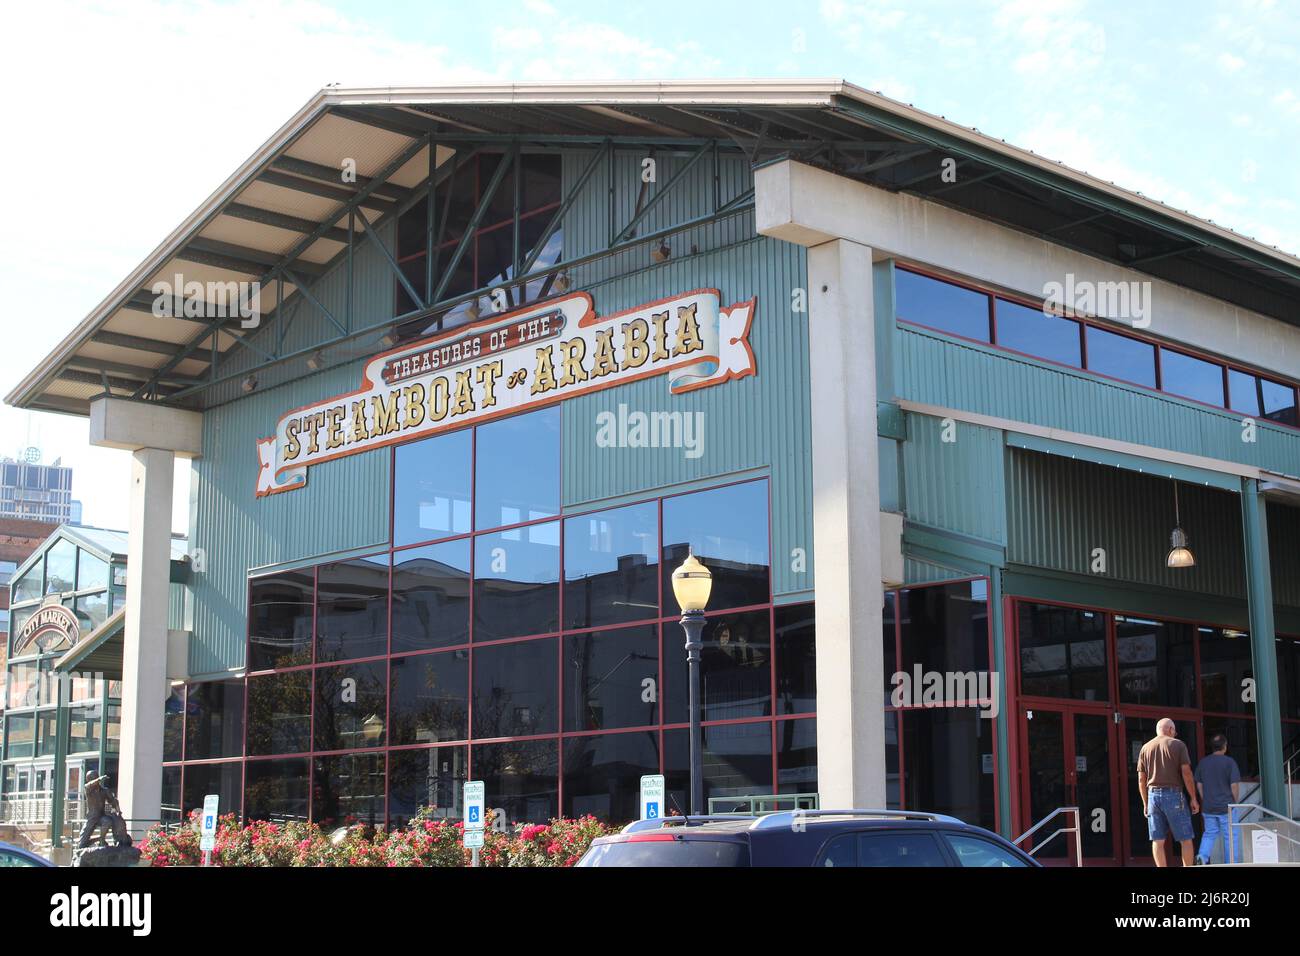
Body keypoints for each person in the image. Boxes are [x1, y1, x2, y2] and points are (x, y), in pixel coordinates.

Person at [1136, 718, 1198, 867]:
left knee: (1157, 840)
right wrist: (1193, 798)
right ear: (1170, 729)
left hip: (1152, 796)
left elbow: (1141, 779)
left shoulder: (1145, 747)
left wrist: (1145, 803)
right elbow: (1186, 773)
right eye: (1174, 731)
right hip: (1174, 794)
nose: (1175, 734)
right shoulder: (1178, 744)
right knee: (1186, 838)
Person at [1194, 734, 1242, 865]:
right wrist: (1234, 801)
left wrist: (1205, 798)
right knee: (1230, 836)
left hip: (1209, 807)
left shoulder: (1204, 762)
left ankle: (1202, 857)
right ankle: (1231, 863)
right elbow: (1234, 785)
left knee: (1209, 833)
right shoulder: (1230, 762)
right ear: (1224, 747)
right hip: (1227, 807)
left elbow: (1199, 783)